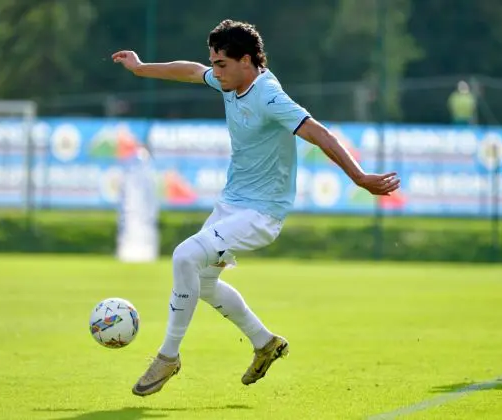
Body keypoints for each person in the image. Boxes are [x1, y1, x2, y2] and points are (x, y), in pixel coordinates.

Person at [113, 19, 400, 397]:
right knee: (202, 283)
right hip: (231, 205)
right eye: (213, 63)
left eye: (221, 64)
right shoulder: (231, 80)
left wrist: (359, 177)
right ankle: (265, 343)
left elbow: (318, 133)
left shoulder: (268, 95)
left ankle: (168, 357)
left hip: (261, 214)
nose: (214, 72)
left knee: (184, 256)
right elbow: (190, 71)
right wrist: (141, 67)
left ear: (246, 60)